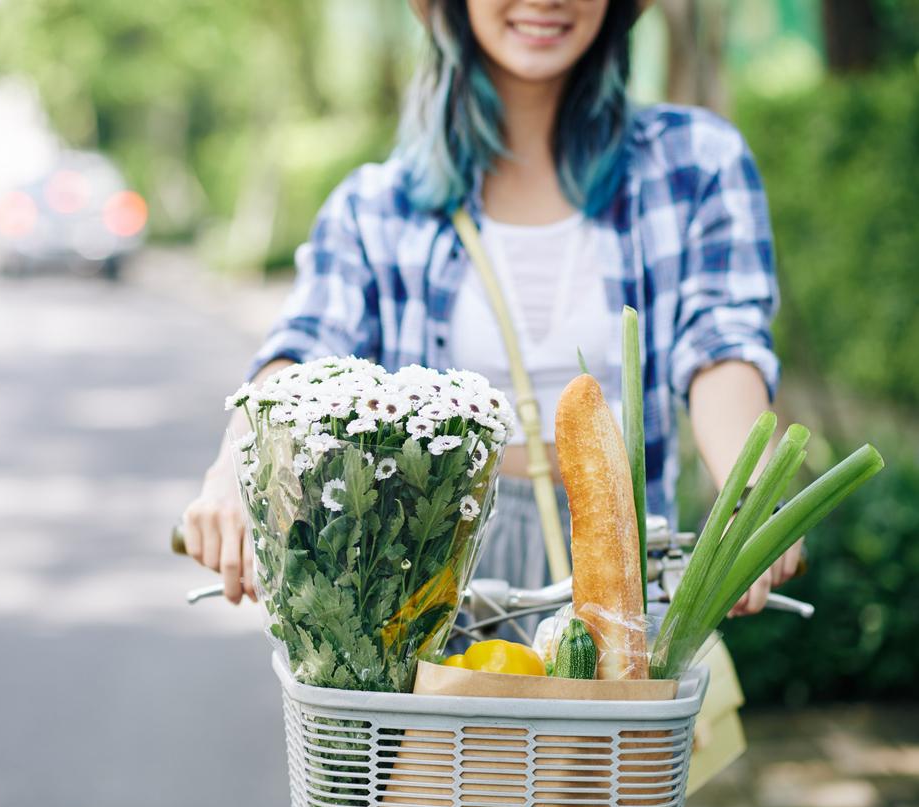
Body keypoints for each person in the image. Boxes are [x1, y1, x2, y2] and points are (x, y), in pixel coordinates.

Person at [181, 0, 803, 619]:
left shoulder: (695, 163)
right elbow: (308, 350)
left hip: (625, 577)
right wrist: (239, 468)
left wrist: (751, 489)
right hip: (424, 583)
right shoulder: (376, 208)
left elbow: (720, 343)